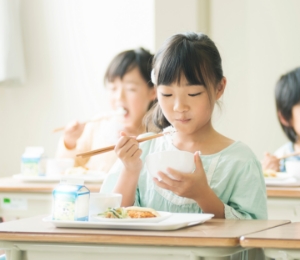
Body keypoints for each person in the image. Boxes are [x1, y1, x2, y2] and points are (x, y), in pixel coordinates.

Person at [101, 32, 267, 220]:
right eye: (167, 95)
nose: (180, 107)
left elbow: (254, 231)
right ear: (155, 92)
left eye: (194, 94)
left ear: (219, 88)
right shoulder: (143, 150)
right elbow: (112, 216)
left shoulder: (240, 161)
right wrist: (130, 170)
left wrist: (203, 195)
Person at [56, 48, 156, 172]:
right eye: (113, 88)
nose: (119, 96)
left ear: (153, 92)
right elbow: (68, 168)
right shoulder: (97, 124)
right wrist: (70, 142)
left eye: (131, 89)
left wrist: (140, 144)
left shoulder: (157, 133)